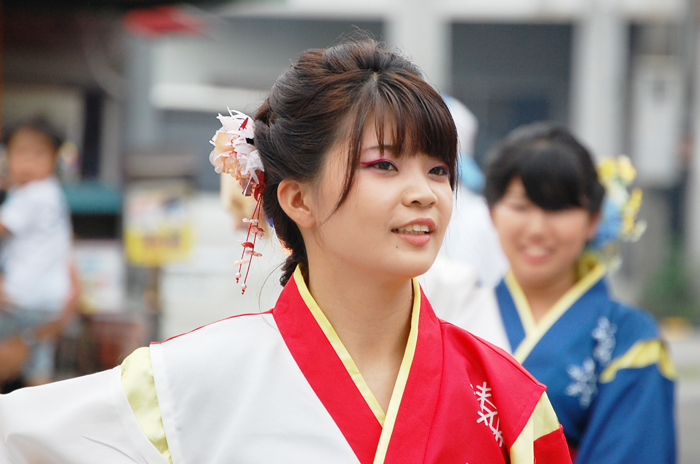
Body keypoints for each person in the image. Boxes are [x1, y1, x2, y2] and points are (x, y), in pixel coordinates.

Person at [0, 39, 572, 464]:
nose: (425, 193)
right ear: (297, 197)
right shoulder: (186, 380)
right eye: (384, 165)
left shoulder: (507, 400)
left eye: (439, 169)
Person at [470, 122, 675, 463]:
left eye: (557, 208)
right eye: (520, 207)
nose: (537, 229)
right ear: (492, 211)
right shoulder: (454, 311)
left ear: (593, 219)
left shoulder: (631, 340)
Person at [0, 121, 80, 387]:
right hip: (50, 303)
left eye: (38, 154)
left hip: (19, 299)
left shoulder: (31, 194)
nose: (27, 163)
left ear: (53, 160)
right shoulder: (54, 194)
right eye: (20, 153)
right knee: (38, 368)